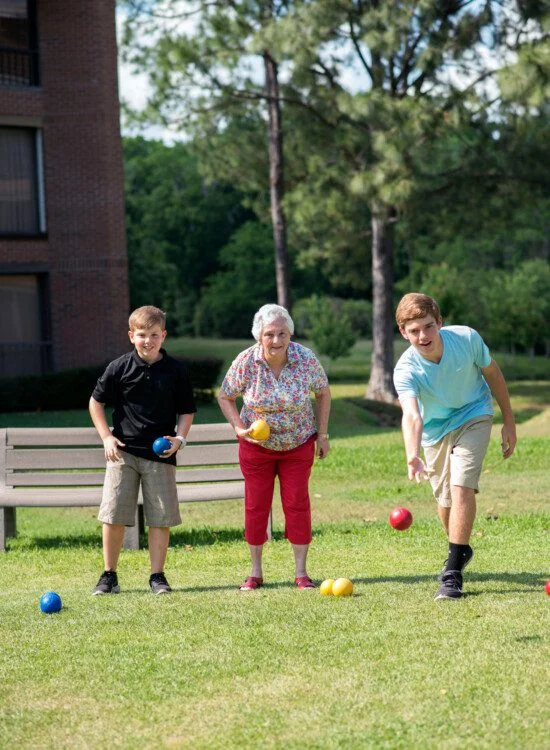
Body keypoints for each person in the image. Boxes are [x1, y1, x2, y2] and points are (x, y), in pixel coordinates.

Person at [393, 293, 516, 600]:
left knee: (462, 486)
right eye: (414, 330)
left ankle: (452, 574)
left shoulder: (467, 339)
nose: (423, 336)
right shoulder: (405, 369)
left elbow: (493, 374)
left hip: (474, 413)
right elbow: (411, 415)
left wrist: (509, 421)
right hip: (434, 432)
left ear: (440, 323)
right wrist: (412, 455)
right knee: (445, 500)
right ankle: (460, 550)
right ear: (403, 333)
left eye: (428, 326)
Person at [218, 303, 331, 591]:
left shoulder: (305, 359)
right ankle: (255, 572)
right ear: (259, 336)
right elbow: (226, 396)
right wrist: (238, 428)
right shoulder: (246, 361)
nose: (277, 340)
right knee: (256, 506)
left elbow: (323, 392)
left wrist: (323, 434)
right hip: (257, 447)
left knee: (297, 503)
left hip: (298, 443)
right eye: (270, 334)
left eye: (282, 333)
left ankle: (302, 573)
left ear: (290, 334)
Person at [89, 305, 196, 595]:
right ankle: (109, 576)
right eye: (141, 335)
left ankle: (157, 576)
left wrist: (179, 439)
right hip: (122, 452)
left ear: (163, 335)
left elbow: (187, 412)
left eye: (153, 334)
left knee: (161, 517)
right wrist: (107, 438)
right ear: (130, 336)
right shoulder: (119, 367)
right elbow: (95, 403)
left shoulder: (175, 371)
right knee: (113, 514)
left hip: (160, 455)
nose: (147, 340)